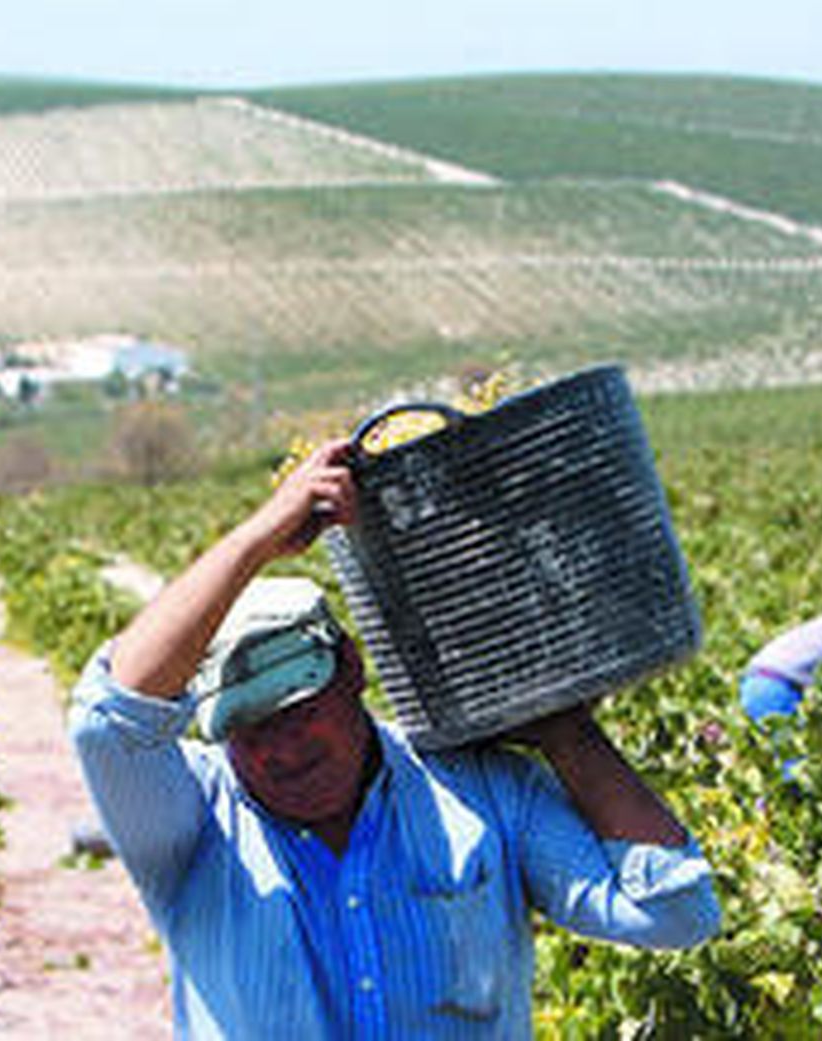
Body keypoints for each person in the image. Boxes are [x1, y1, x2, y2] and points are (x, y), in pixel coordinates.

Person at [68, 439, 721, 1039]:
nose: (281, 747)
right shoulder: (191, 819)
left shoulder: (479, 788)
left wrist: (566, 733)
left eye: (297, 711)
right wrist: (261, 535)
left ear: (351, 668)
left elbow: (674, 911)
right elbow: (108, 719)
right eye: (249, 727)